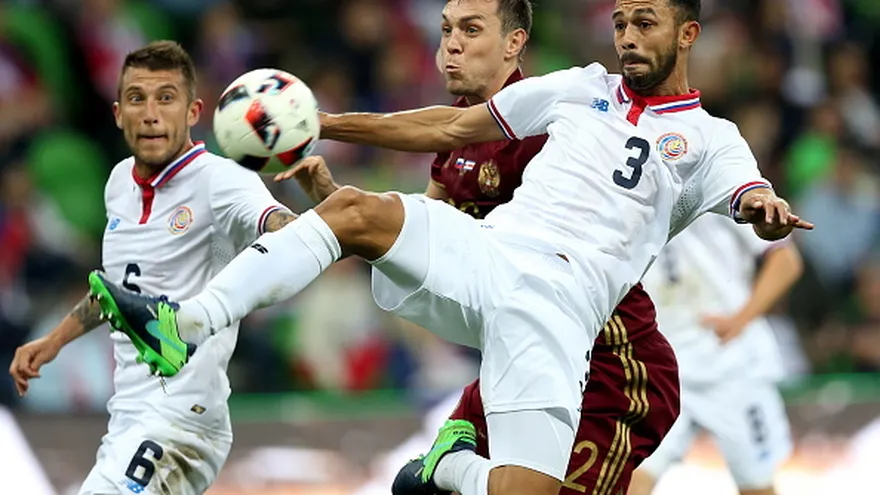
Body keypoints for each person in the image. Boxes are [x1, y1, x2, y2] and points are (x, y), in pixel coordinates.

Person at [89, 1, 812, 494]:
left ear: (686, 35)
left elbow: (747, 195)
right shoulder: (580, 87)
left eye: (644, 22)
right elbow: (448, 128)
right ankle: (181, 324)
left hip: (565, 317)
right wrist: (321, 123)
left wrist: (766, 210)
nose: (626, 35)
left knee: (526, 489)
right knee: (356, 211)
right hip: (495, 254)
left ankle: (449, 471)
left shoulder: (710, 137)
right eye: (620, 20)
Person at [299, 1, 678, 494]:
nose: (451, 44)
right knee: (425, 488)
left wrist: (325, 125)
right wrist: (337, 203)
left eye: (470, 30)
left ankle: (452, 466)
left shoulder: (552, 127)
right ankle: (452, 467)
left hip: (609, 363)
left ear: (514, 44)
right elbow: (420, 239)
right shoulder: (456, 135)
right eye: (445, 30)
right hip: (517, 349)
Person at [8, 41, 296, 494]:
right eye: (138, 98)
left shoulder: (221, 179)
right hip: (129, 415)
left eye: (166, 97)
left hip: (184, 421)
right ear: (119, 113)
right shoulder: (119, 182)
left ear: (193, 111)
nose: (151, 113)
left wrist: (297, 226)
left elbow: (282, 229)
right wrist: (55, 340)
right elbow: (119, 290)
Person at [628, 214, 803, 495]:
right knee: (629, 482)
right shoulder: (638, 189)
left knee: (757, 488)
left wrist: (741, 318)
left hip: (733, 366)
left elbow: (786, 260)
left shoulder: (728, 184)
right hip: (665, 367)